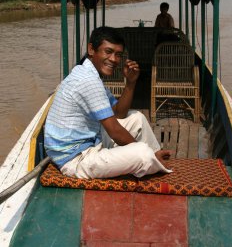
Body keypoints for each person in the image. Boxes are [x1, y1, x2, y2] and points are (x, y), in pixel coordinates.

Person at [44, 26, 172, 179]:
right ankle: (152, 159)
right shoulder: (88, 80)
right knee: (143, 153)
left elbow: (119, 113)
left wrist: (130, 83)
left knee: (137, 118)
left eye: (118, 54)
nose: (114, 59)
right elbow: (115, 131)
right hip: (76, 159)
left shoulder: (89, 73)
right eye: (108, 52)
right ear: (91, 49)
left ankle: (154, 159)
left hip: (90, 142)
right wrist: (145, 151)